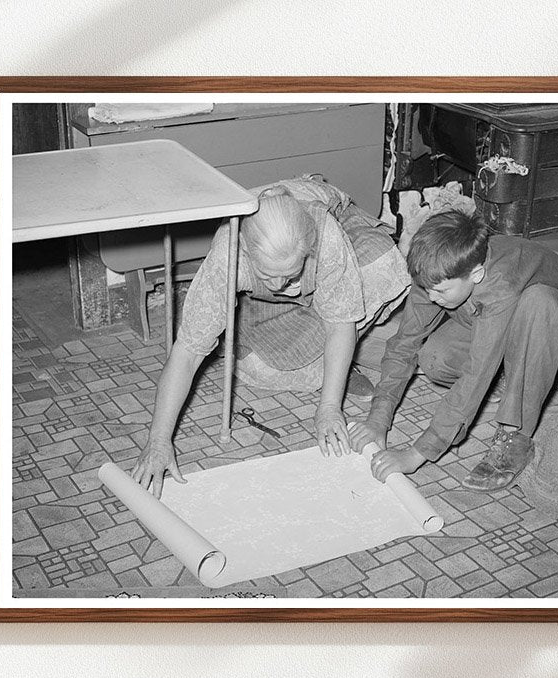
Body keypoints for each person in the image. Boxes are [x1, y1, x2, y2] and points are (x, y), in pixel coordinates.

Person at [132, 178, 410, 496]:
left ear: (308, 250)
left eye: (290, 274)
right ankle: (332, 350)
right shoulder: (228, 255)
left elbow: (340, 323)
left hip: (337, 234)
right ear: (246, 252)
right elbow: (188, 351)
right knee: (278, 371)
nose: (278, 286)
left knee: (386, 268)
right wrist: (158, 439)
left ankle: (348, 350)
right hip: (271, 290)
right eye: (268, 276)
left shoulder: (326, 234)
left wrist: (330, 407)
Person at [349, 209, 558, 492]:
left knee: (537, 301)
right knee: (435, 356)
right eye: (427, 289)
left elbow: (475, 374)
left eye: (441, 292)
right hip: (503, 314)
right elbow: (404, 343)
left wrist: (417, 453)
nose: (431, 298)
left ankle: (515, 435)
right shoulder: (437, 273)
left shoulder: (498, 286)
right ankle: (510, 376)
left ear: (476, 274)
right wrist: (378, 418)